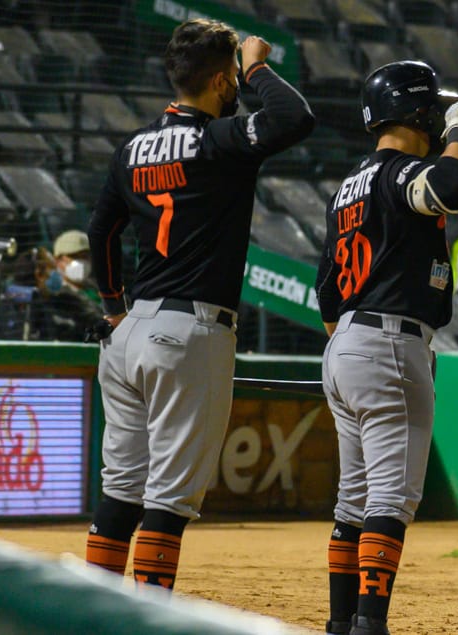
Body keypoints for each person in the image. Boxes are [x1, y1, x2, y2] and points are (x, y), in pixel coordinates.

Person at [83, 19, 314, 590]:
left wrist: (114, 307)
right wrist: (259, 67)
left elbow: (99, 232)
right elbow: (294, 119)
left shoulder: (132, 146)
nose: (238, 87)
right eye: (233, 77)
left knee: (121, 491)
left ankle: (89, 618)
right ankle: (145, 625)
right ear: (218, 81)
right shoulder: (218, 142)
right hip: (190, 334)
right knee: (168, 500)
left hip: (130, 331)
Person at [314, 60, 458, 635]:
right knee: (389, 501)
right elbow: (449, 187)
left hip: (347, 342)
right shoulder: (401, 171)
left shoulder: (348, 186)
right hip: (389, 340)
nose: (437, 118)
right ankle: (369, 624)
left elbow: (325, 288)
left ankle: (343, 623)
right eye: (433, 110)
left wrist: (350, 353)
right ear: (416, 114)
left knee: (353, 500)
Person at [33, 229, 105, 340]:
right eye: (74, 256)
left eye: (85, 256)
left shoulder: (103, 288)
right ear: (58, 260)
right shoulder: (56, 296)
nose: (82, 261)